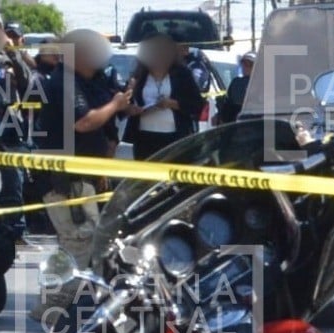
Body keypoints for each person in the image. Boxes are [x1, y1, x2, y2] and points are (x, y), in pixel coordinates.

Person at [35, 28, 131, 268]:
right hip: (66, 182)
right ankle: (52, 305)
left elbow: (105, 127)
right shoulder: (64, 82)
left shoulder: (82, 82)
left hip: (82, 179)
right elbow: (84, 122)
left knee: (88, 249)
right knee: (78, 248)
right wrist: (115, 104)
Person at [121, 32, 204, 160]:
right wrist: (130, 108)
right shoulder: (139, 75)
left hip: (174, 136)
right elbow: (125, 105)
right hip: (144, 136)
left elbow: (197, 104)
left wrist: (173, 104)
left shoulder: (182, 74)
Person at [216, 51, 254, 125]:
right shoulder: (236, 82)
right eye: (244, 64)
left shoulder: (262, 83)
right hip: (236, 122)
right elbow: (228, 103)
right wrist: (220, 117)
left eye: (250, 65)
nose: (246, 67)